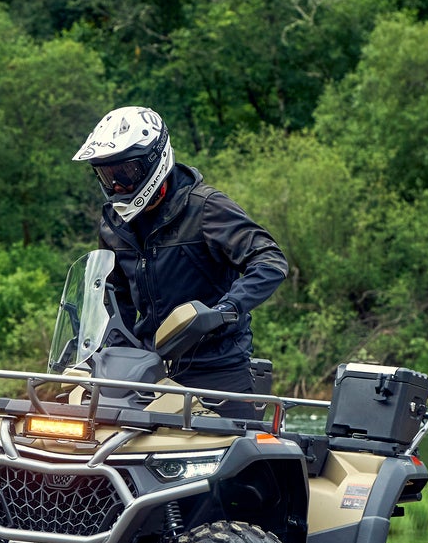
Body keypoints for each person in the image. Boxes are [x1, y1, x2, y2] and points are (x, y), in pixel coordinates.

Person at [73, 106, 288, 420]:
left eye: (125, 173)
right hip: (145, 373)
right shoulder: (113, 223)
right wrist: (107, 353)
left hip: (215, 371)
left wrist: (225, 311)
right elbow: (112, 296)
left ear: (153, 160)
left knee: (228, 463)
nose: (116, 185)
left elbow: (270, 261)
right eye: (107, 174)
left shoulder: (206, 208)